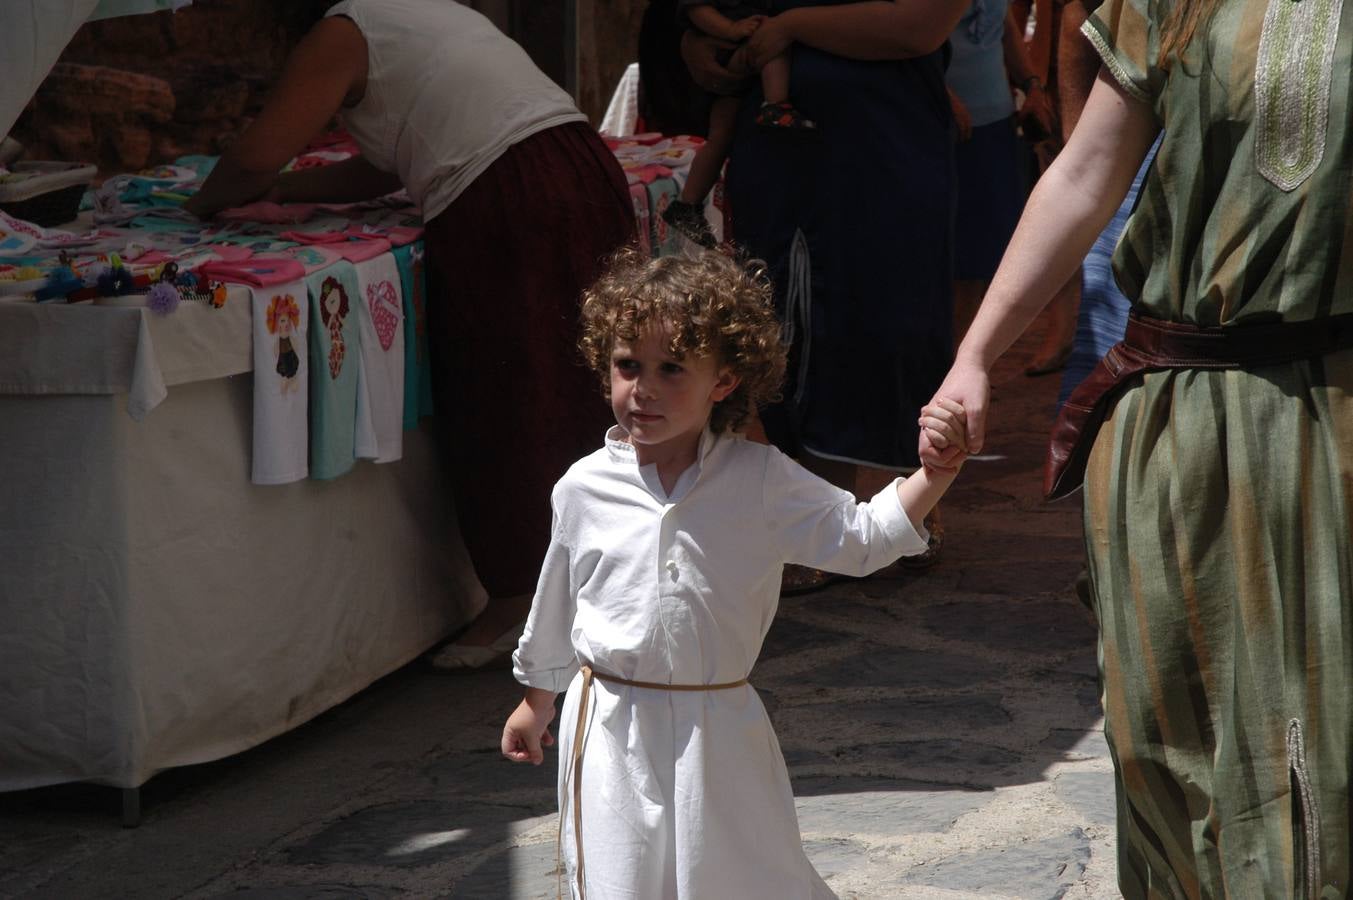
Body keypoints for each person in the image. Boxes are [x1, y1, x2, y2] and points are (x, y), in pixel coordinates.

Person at [923, 0, 1353, 894]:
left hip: (1334, 420)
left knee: (1325, 748)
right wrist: (975, 357)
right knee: (1164, 740)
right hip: (1178, 418)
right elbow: (1085, 174)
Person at [501, 247, 966, 898]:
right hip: (608, 724)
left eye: (671, 370)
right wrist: (535, 700)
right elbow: (557, 602)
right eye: (628, 365)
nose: (644, 388)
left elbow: (858, 537)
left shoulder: (760, 481)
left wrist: (934, 475)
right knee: (618, 876)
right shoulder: (583, 487)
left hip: (713, 726)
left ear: (723, 380)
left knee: (741, 871)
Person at [185, 0, 635, 668]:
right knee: (586, 383)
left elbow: (256, 153)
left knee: (503, 395)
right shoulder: (426, 13)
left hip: (507, 194)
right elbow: (392, 159)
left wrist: (203, 201)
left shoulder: (344, 29)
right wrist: (286, 190)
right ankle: (618, 580)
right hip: (576, 165)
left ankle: (518, 602)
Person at [681, 0, 968, 590]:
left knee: (893, 315)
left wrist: (792, 28)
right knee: (785, 316)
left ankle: (910, 505)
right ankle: (818, 518)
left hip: (883, 140)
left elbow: (921, 23)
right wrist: (704, 47)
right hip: (780, 151)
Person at [661, 0, 814, 248]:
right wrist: (730, 29)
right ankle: (776, 104)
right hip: (735, 61)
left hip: (743, 63)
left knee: (721, 138)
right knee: (720, 136)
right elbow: (697, 9)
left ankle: (688, 203)